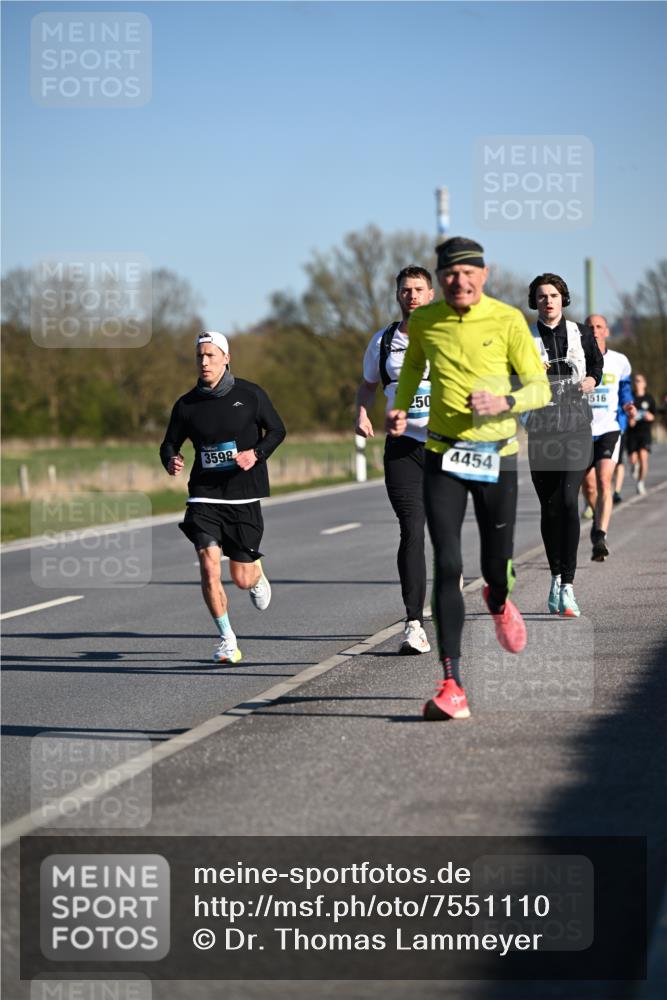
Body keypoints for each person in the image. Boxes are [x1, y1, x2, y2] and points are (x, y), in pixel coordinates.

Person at [387, 237, 551, 721]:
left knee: (495, 564)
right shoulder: (425, 321)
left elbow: (539, 387)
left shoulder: (507, 320)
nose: (459, 282)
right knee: (448, 562)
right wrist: (399, 409)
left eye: (468, 273)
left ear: (484, 274)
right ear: (440, 280)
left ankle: (498, 598)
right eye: (449, 275)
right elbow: (414, 366)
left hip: (496, 454)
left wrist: (506, 403)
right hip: (442, 453)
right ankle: (451, 684)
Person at [160, 331, 286, 664]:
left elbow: (277, 431)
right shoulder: (187, 404)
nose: (204, 362)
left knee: (242, 580)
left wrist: (256, 454)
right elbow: (169, 443)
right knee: (208, 566)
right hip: (204, 496)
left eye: (211, 355)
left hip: (243, 496)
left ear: (226, 358)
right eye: (200, 356)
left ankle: (256, 572)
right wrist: (170, 458)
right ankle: (227, 639)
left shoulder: (250, 394)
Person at [356, 266, 435, 654]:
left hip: (446, 447)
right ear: (398, 296)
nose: (412, 296)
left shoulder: (449, 336)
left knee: (447, 532)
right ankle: (414, 623)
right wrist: (362, 411)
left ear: (431, 294)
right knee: (412, 530)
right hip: (403, 450)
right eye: (406, 290)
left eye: (419, 289)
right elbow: (368, 383)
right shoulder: (383, 341)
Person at [524, 278, 603, 617]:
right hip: (541, 429)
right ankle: (555, 577)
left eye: (554, 296)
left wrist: (591, 380)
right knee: (550, 506)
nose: (548, 301)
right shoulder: (523, 337)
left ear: (563, 299)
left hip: (576, 426)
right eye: (541, 297)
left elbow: (596, 364)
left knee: (569, 500)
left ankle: (568, 585)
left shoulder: (581, 333)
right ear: (535, 302)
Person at [581, 314, 634, 560]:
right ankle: (596, 518)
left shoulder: (619, 361)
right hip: (580, 430)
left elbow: (625, 390)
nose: (594, 330)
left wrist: (628, 406)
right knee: (589, 486)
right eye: (589, 326)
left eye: (599, 326)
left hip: (609, 429)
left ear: (607, 331)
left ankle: (600, 534)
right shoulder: (576, 359)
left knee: (604, 481)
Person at [626, 372, 656, 495]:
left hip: (645, 433)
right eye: (635, 381)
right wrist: (630, 420)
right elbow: (625, 413)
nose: (637, 383)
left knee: (643, 458)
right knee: (633, 459)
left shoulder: (649, 398)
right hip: (632, 433)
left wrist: (650, 417)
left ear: (644, 384)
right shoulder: (630, 398)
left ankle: (640, 482)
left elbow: (654, 415)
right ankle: (634, 465)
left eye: (639, 381)